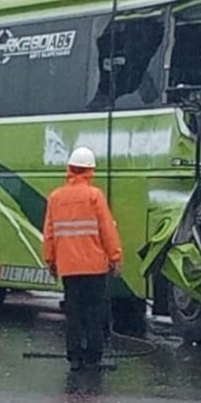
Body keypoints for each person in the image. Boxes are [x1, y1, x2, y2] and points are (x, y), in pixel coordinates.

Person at [42, 147, 122, 372]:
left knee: (73, 313)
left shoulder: (56, 197)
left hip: (68, 267)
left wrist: (50, 260)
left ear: (69, 169)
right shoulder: (95, 196)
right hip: (95, 267)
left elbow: (49, 233)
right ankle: (93, 357)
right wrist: (115, 257)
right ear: (90, 171)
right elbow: (107, 230)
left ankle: (75, 358)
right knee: (94, 313)